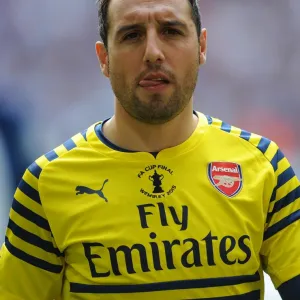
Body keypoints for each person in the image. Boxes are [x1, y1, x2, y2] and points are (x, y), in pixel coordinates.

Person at [0, 0, 299, 299]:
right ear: (104, 58)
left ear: (201, 46)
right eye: (132, 35)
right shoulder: (47, 184)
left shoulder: (263, 166)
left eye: (171, 31)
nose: (153, 53)